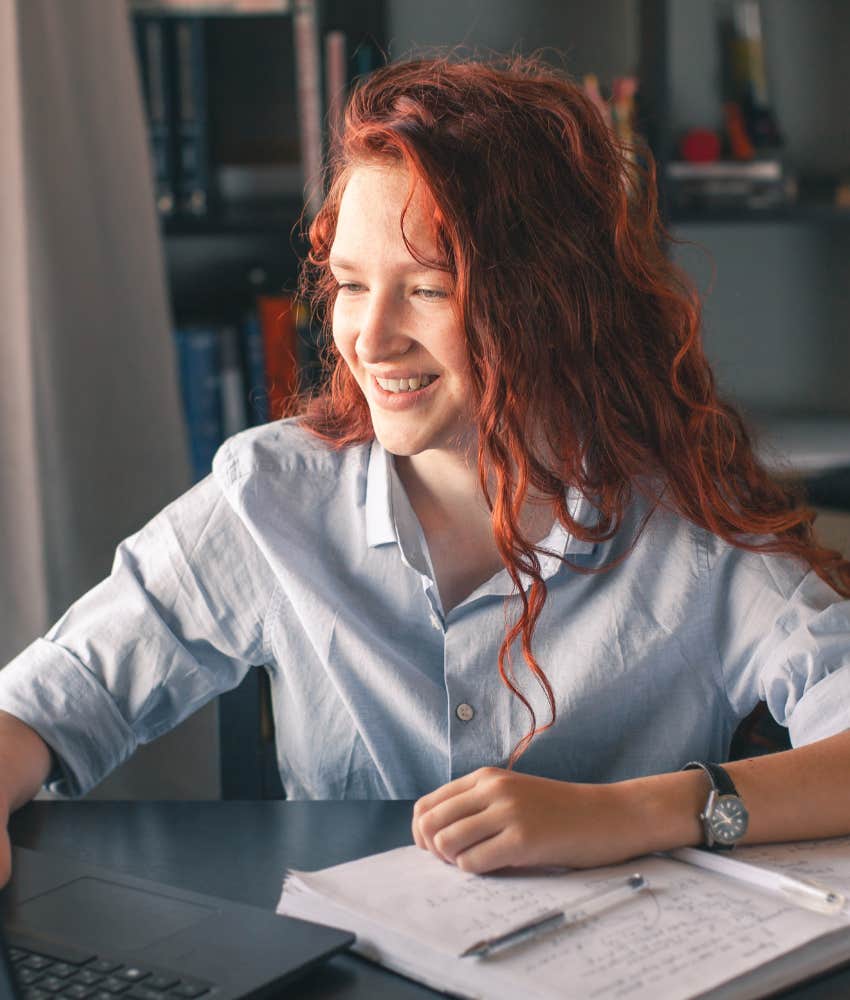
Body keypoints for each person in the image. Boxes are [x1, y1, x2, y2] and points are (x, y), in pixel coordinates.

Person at [2, 54, 850, 888]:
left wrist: (630, 813)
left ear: (550, 299)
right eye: (350, 285)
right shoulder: (269, 492)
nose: (370, 340)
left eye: (429, 290)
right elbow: (48, 699)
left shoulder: (689, 521)